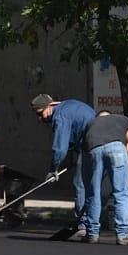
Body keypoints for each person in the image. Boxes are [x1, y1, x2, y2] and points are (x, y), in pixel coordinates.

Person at [30, 94, 96, 234]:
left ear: (49, 106)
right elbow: (75, 133)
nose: (41, 118)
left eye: (41, 114)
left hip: (90, 146)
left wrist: (53, 169)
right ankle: (92, 224)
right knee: (91, 185)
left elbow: (59, 148)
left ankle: (83, 224)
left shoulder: (60, 116)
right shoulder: (68, 104)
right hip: (95, 142)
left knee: (80, 184)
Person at [81, 111, 128, 245]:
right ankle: (123, 236)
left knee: (93, 193)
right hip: (117, 149)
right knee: (122, 193)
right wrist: (117, 156)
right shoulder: (123, 119)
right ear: (110, 115)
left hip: (93, 150)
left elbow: (85, 152)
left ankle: (92, 234)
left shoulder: (91, 123)